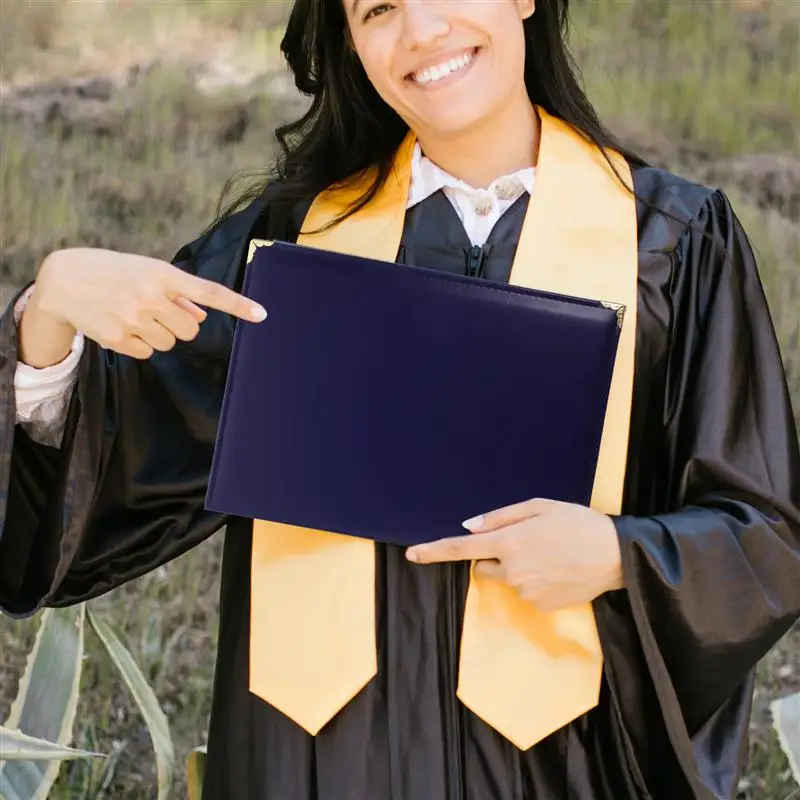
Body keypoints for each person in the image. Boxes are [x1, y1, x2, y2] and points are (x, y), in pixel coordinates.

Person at [1, 0, 799, 798]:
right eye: (378, 7)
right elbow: (113, 469)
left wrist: (620, 555)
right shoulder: (291, 246)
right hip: (317, 764)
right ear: (351, 39)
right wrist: (49, 318)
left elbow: (765, 535)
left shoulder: (671, 245)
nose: (421, 31)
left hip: (563, 764)